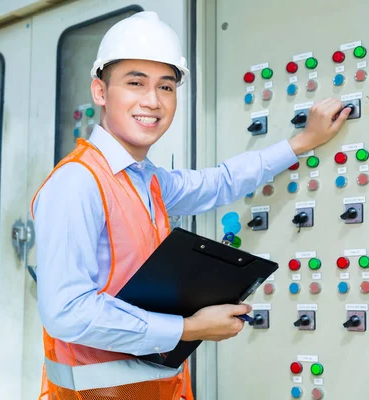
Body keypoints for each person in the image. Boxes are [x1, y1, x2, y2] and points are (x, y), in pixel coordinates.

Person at [31, 11, 351, 400]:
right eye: (135, 83)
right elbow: (68, 313)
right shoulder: (77, 182)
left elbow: (219, 183)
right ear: (100, 91)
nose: (152, 101)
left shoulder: (146, 179)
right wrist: (188, 329)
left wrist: (300, 143)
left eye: (166, 87)